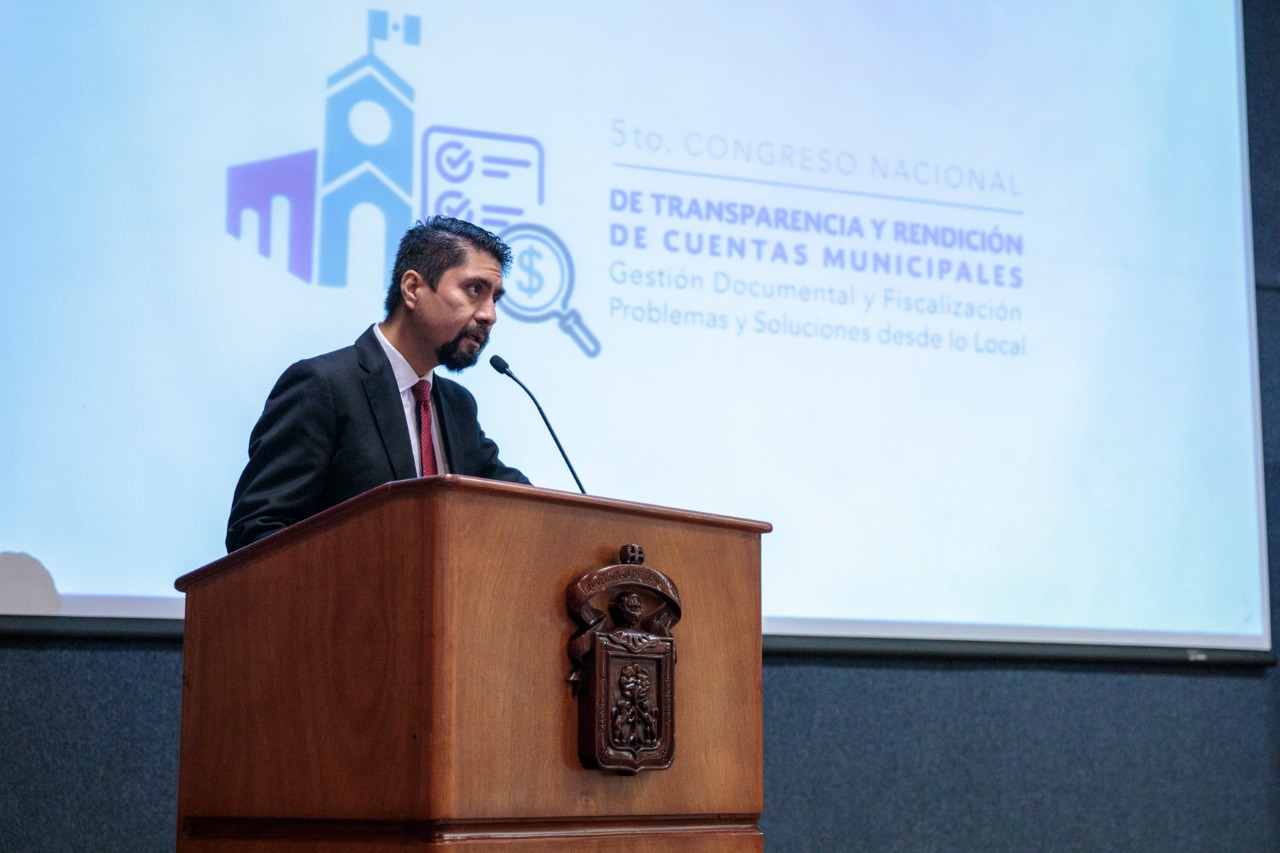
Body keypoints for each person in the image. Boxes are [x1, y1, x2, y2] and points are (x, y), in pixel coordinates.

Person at [225, 217, 530, 552]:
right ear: (412, 288)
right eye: (474, 290)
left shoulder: (458, 405)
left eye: (495, 298)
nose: (490, 315)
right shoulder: (324, 387)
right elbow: (256, 529)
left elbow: (525, 505)